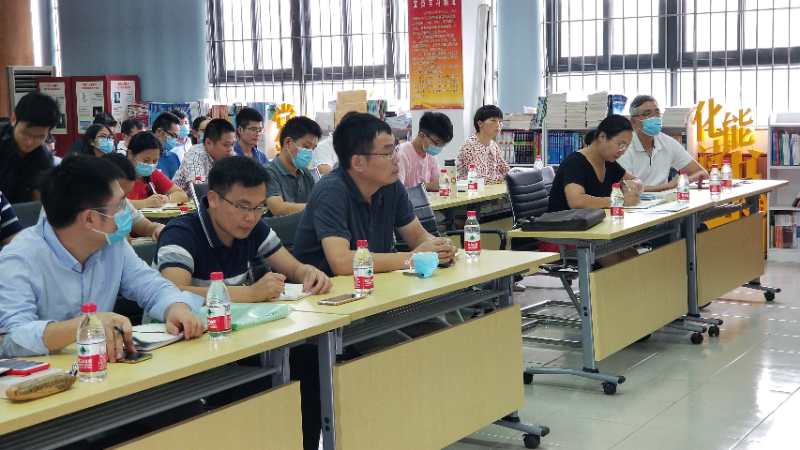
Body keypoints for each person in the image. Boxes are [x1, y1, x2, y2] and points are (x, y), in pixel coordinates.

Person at [156, 155, 330, 450]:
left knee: (309, 363)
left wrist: (309, 273)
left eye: (259, 207)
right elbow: (174, 291)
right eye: (242, 206)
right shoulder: (181, 233)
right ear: (213, 199)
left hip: (238, 342)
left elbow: (293, 267)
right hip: (192, 351)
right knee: (258, 391)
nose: (251, 217)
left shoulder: (254, 228)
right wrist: (249, 294)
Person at [0, 155, 203, 359]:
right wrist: (85, 325)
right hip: (48, 373)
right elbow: (10, 338)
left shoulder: (112, 244)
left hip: (103, 368)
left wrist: (175, 307)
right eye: (121, 205)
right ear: (90, 218)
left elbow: (152, 286)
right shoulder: (19, 258)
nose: (127, 213)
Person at [293, 112, 456, 276]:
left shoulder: (391, 186)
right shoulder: (331, 191)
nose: (396, 159)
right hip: (327, 287)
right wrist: (412, 258)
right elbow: (342, 262)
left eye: (395, 150)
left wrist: (440, 247)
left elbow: (418, 237)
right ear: (358, 162)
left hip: (375, 283)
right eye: (387, 153)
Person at [548, 115, 641, 213]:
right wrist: (618, 200)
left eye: (626, 146)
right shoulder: (574, 162)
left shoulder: (608, 162)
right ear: (602, 137)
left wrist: (633, 185)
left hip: (593, 220)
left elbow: (635, 180)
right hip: (563, 221)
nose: (623, 151)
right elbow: (576, 202)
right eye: (621, 144)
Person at [618, 95, 708, 191]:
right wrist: (668, 186)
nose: (654, 117)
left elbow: (701, 173)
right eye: (647, 113)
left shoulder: (666, 142)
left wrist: (682, 181)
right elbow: (626, 187)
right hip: (633, 200)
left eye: (657, 113)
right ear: (633, 122)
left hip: (664, 198)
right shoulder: (623, 147)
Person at [0, 91, 58, 203]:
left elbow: (39, 202)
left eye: (40, 137)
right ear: (14, 119)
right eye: (25, 133)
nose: (29, 142)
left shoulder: (44, 160)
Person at [102, 153, 167, 240]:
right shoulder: (91, 213)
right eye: (120, 195)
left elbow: (146, 226)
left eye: (126, 196)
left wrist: (158, 228)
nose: (123, 200)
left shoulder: (123, 203)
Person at [265, 116, 321, 216]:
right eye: (306, 146)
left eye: (313, 148)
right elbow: (278, 208)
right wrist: (317, 207)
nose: (310, 153)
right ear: (288, 143)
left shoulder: (306, 174)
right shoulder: (269, 173)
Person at [124, 132, 189, 208]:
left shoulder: (153, 174)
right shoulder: (117, 175)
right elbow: (115, 204)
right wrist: (146, 203)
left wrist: (166, 199)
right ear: (130, 154)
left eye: (155, 161)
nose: (150, 164)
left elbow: (182, 195)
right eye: (146, 160)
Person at [172, 118, 236, 193]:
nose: (230, 149)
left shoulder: (230, 155)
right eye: (226, 145)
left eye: (232, 144)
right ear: (208, 143)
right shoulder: (195, 155)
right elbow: (199, 187)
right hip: (179, 198)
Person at [397, 112, 453, 191]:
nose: (438, 148)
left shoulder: (430, 156)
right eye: (436, 143)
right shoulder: (402, 154)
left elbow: (438, 183)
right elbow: (398, 191)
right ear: (422, 135)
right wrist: (427, 186)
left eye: (442, 145)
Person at [456, 104, 510, 183]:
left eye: (500, 121)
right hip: (471, 189)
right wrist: (502, 178)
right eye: (493, 120)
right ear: (480, 123)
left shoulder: (493, 145)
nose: (498, 125)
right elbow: (478, 177)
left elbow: (506, 170)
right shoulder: (470, 146)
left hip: (491, 188)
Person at [151, 112, 182, 179]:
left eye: (177, 137)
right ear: (159, 131)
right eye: (173, 135)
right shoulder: (142, 156)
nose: (176, 140)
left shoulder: (173, 158)